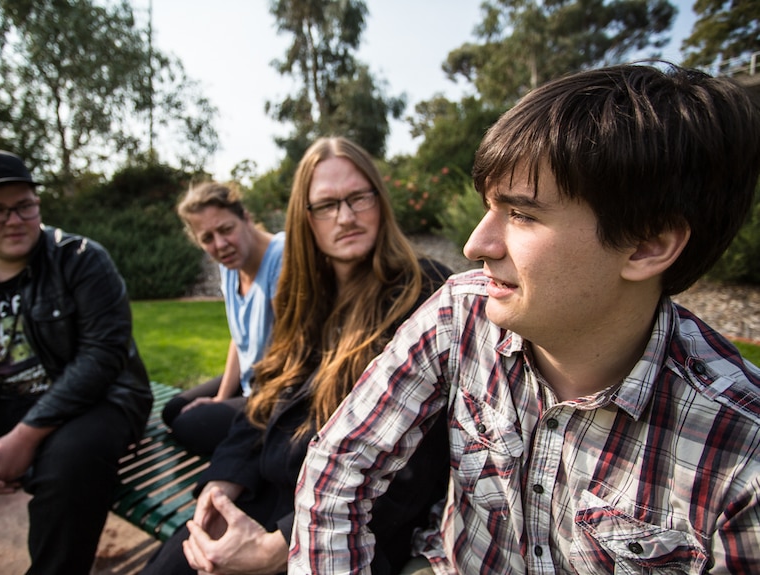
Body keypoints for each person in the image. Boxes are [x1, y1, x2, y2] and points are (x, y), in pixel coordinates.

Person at [290, 63, 760, 573]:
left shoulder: (742, 454)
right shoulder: (462, 313)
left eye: (522, 214)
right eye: (490, 207)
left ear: (648, 244)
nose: (476, 245)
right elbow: (339, 468)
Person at [140, 136, 453, 575]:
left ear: (379, 200)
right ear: (305, 218)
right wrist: (223, 478)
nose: (345, 217)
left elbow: (412, 467)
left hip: (349, 524)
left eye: (358, 198)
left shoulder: (426, 294)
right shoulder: (304, 293)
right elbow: (267, 396)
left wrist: (283, 543)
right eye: (326, 205)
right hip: (271, 488)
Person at [0, 149, 153, 575]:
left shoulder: (82, 260)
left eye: (25, 206)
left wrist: (24, 437)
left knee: (73, 461)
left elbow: (102, 356)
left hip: (90, 404)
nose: (15, 220)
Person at [161, 182, 284, 456]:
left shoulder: (282, 258)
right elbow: (239, 338)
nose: (220, 245)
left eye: (226, 229)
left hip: (281, 392)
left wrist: (242, 400)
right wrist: (220, 398)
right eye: (207, 239)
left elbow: (293, 354)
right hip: (253, 377)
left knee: (189, 426)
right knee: (172, 411)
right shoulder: (230, 264)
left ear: (246, 218)